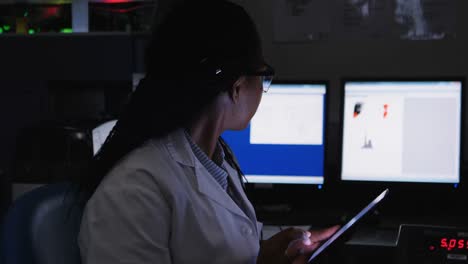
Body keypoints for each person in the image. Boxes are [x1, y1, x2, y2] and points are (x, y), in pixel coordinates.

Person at [78, 1, 338, 263]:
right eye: (264, 76)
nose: (262, 88)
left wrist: (264, 255)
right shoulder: (134, 191)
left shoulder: (214, 162)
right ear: (237, 87)